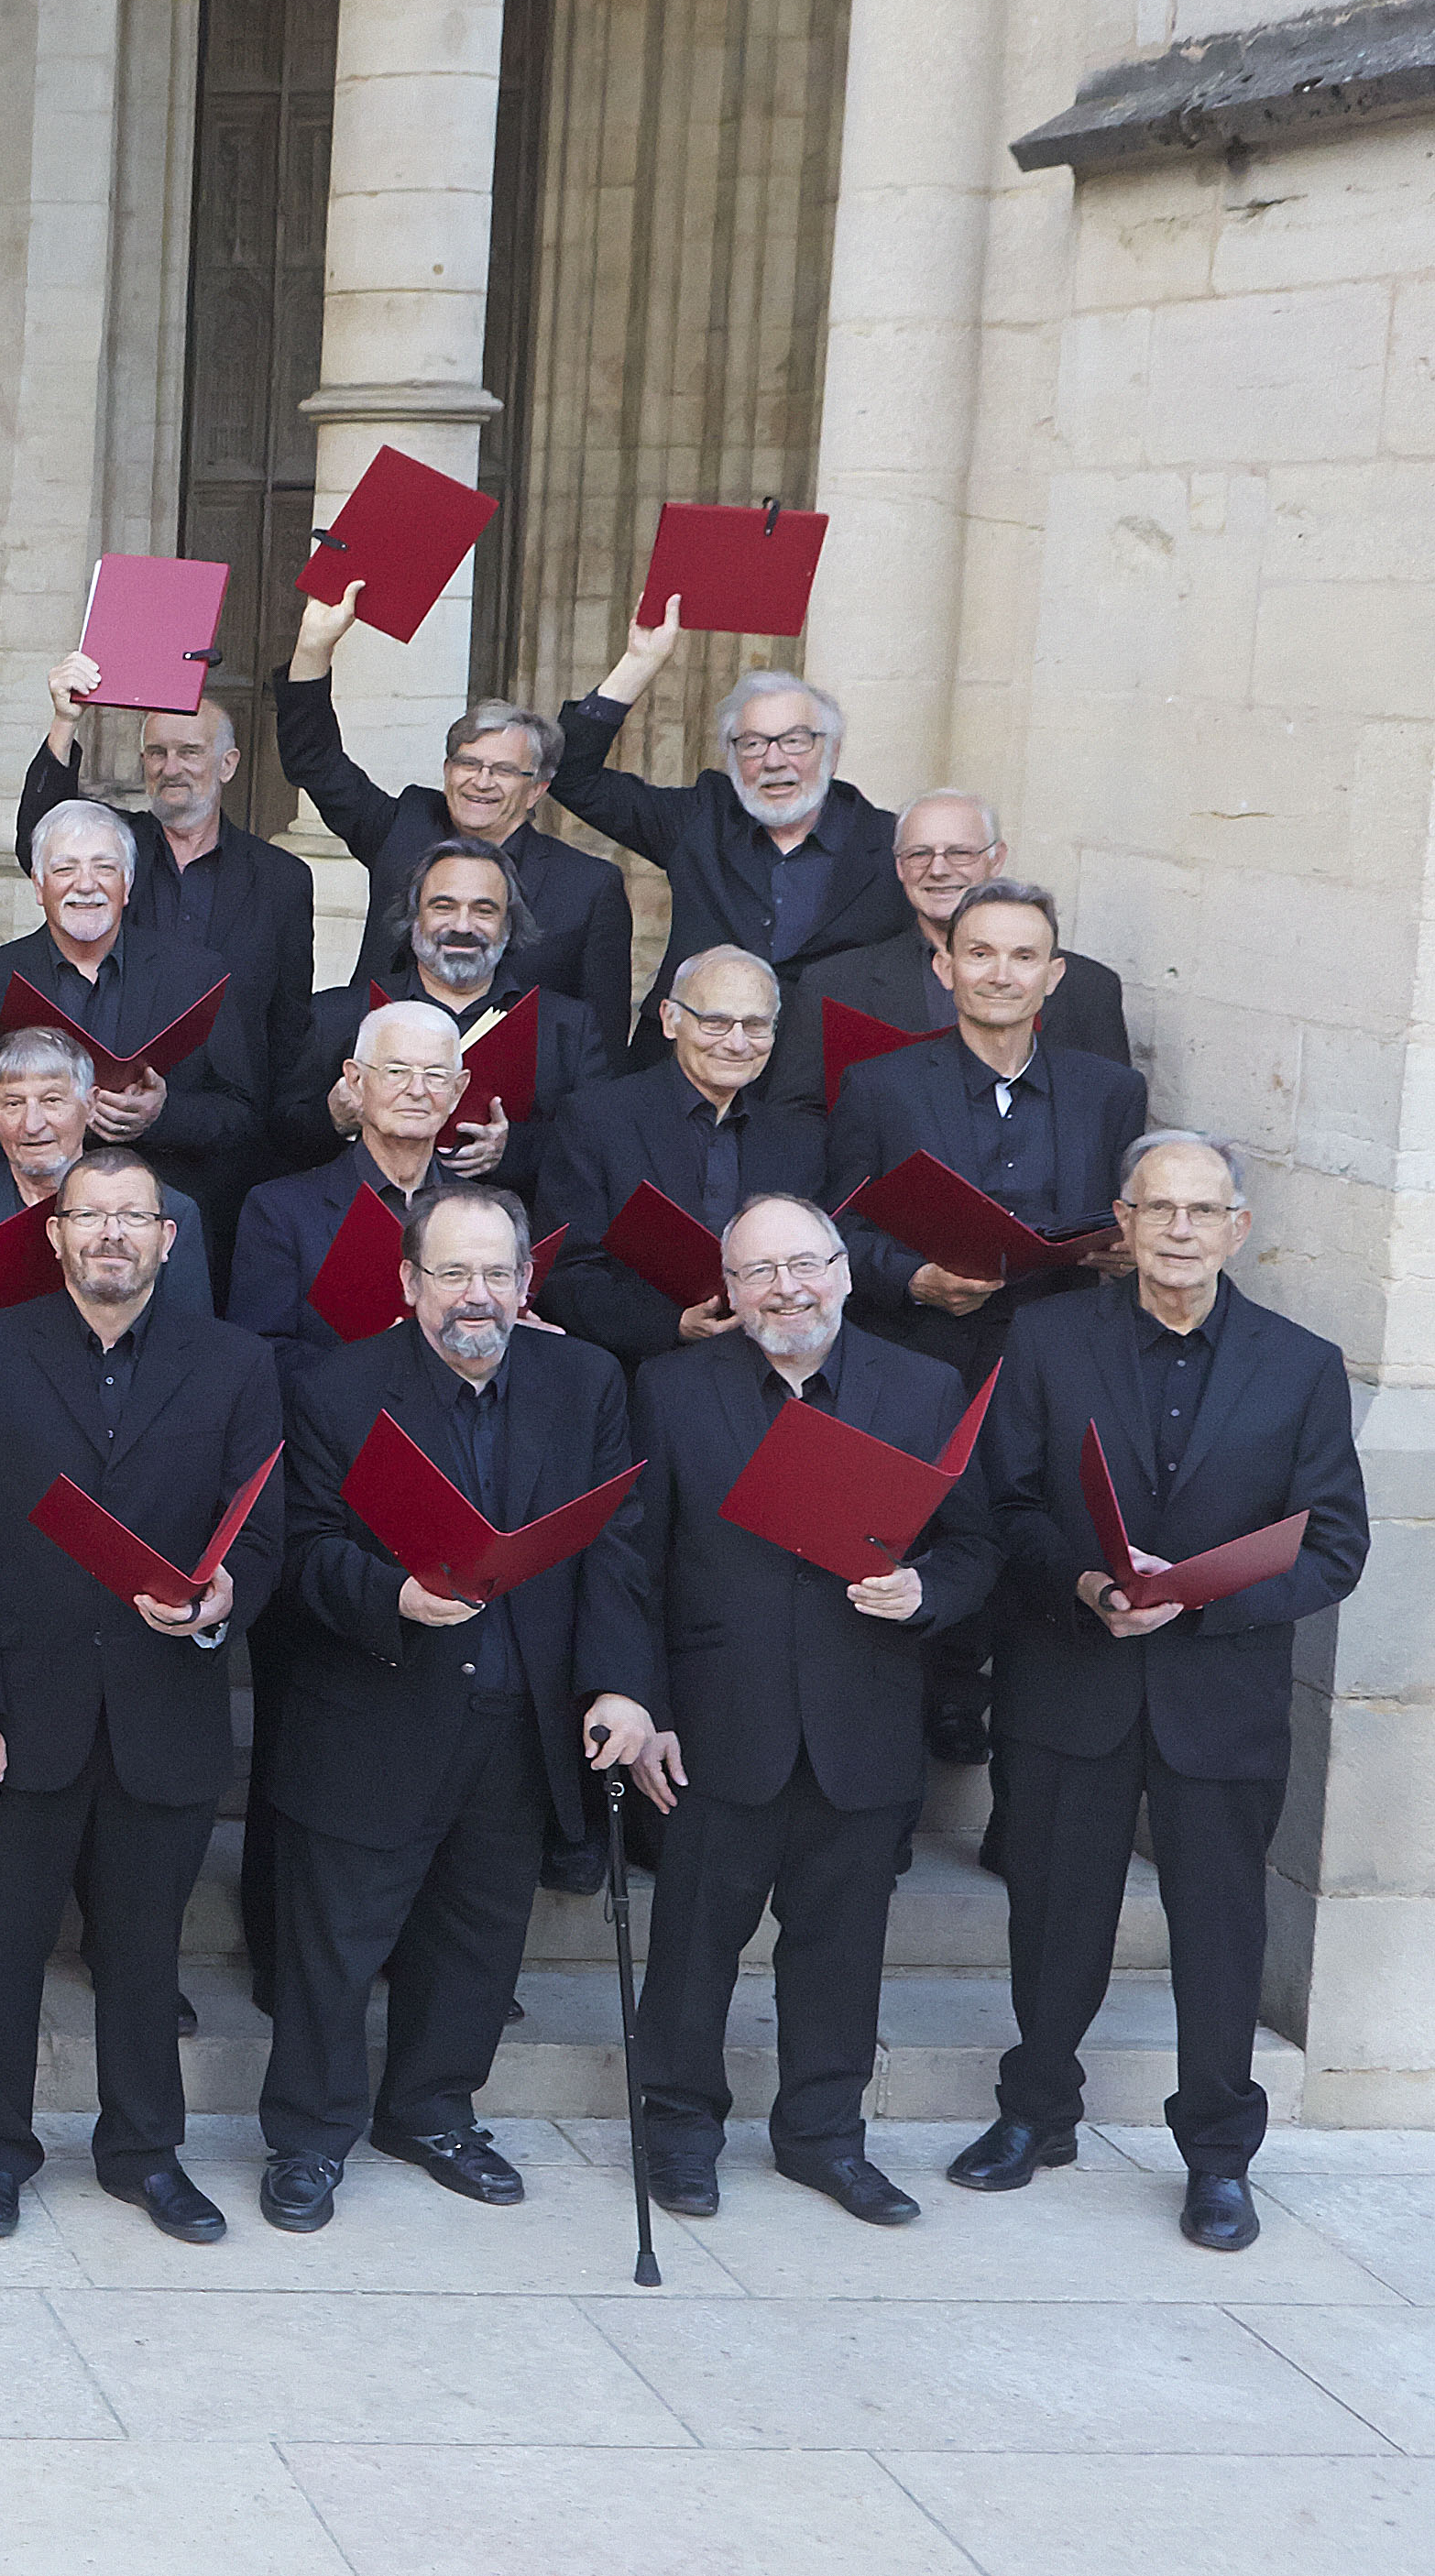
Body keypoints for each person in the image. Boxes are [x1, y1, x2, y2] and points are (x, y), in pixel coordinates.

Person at [953, 1135, 1372, 2252]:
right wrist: (1089, 1585)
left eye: (1203, 1211)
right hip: (1072, 1677)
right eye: (1159, 1209)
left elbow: (1334, 1548)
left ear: (1240, 1230)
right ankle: (1036, 2112)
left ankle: (1220, 2157)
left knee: (1222, 1934)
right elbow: (1009, 1505)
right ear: (1123, 1224)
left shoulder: (1302, 1364)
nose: (1180, 1230)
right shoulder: (1045, 1338)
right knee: (1053, 1918)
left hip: (1220, 1697)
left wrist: (1205, 1604)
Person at [579, 1193, 989, 2226]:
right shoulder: (670, 1389)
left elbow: (978, 1547)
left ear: (847, 1272)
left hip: (865, 1717)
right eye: (760, 1272)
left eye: (806, 1265)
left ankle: (822, 2139)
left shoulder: (924, 1386)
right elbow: (629, 1559)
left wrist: (926, 1593)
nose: (787, 1289)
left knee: (841, 1950)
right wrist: (638, 1696)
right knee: (691, 1950)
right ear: (727, 1288)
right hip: (716, 1724)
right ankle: (677, 2134)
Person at [0, 1145, 285, 2243]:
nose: (113, 1235)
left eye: (136, 1217)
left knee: (144, 1953)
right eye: (92, 1216)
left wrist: (222, 1597)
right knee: (1, 1947)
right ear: (55, 1232)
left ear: (169, 1241)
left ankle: (142, 2154)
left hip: (161, 1708)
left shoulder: (235, 1364)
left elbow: (259, 1533)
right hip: (19, 1713)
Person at [252, 1188, 633, 2231]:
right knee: (333, 1944)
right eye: (452, 1274)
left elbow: (617, 1550)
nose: (477, 1296)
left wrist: (620, 1685)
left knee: (479, 1940)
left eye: (497, 1273)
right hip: (375, 1709)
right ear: (409, 1284)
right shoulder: (336, 1390)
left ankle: (429, 2112)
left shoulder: (586, 1381)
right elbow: (300, 1551)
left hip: (521, 1719)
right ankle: (308, 2138)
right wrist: (394, 1596)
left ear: (527, 1282)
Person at [272, 588, 634, 1039]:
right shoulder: (404, 827)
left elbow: (603, 1037)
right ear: (447, 771)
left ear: (536, 789)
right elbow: (316, 764)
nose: (480, 781)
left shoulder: (588, 886)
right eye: (468, 764)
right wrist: (313, 647)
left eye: (503, 770)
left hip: (518, 1102)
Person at [825, 881, 1146, 1376]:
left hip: (1066, 1361)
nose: (1001, 976)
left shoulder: (1112, 1092)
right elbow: (835, 1229)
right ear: (945, 969)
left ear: (1053, 975)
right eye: (980, 954)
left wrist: (1133, 1249)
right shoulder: (878, 1087)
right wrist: (913, 1279)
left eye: (1023, 957)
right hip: (921, 1358)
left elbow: (1129, 1221)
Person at [21, 655, 317, 1154]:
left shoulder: (282, 881)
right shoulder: (116, 851)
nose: (171, 767)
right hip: (103, 1128)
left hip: (225, 1138)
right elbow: (41, 833)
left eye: (189, 751)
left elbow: (288, 1026)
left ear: (228, 764)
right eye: (157, 753)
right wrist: (65, 720)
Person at [556, 622, 911, 1024]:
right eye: (753, 744)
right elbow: (570, 775)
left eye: (795, 741)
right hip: (688, 1065)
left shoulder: (891, 844)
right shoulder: (701, 818)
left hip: (822, 1074)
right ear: (731, 755)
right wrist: (640, 662)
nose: (774, 761)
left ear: (832, 749)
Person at [0, 797, 269, 1234]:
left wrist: (161, 1114)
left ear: (128, 885)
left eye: (104, 868)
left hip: (155, 1230)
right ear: (38, 885)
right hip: (19, 1226)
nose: (86, 885)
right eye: (65, 869)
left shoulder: (197, 976)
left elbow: (243, 1115)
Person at [536, 945, 827, 1371]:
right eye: (715, 1022)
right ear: (671, 1019)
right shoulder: (598, 1119)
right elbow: (566, 1271)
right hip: (639, 1372)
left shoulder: (797, 1138)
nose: (737, 1043)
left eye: (756, 1025)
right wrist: (672, 1324)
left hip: (767, 1370)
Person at [764, 787, 1137, 1119]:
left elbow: (1109, 1120)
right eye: (918, 854)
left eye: (960, 853)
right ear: (898, 867)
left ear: (996, 858)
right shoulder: (836, 983)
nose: (938, 869)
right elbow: (794, 1116)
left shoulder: (1088, 988)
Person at [267, 841, 607, 1185]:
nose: (462, 925)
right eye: (443, 907)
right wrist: (334, 1119)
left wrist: (513, 1150)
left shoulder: (567, 1027)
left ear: (509, 925)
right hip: (364, 1223)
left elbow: (599, 1147)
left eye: (484, 910)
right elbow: (279, 1136)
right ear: (415, 918)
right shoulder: (339, 1015)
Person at [229, 999, 477, 1381]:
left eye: (436, 1075)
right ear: (356, 1081)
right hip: (333, 1428)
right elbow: (261, 1356)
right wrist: (383, 1361)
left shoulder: (483, 1215)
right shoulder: (281, 1210)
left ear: (458, 1090)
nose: (417, 1090)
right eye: (397, 1071)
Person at [0, 1028, 217, 1310]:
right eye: (13, 1104)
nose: (32, 1125)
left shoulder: (169, 1212)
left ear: (91, 1104)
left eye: (52, 1100)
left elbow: (189, 1343)